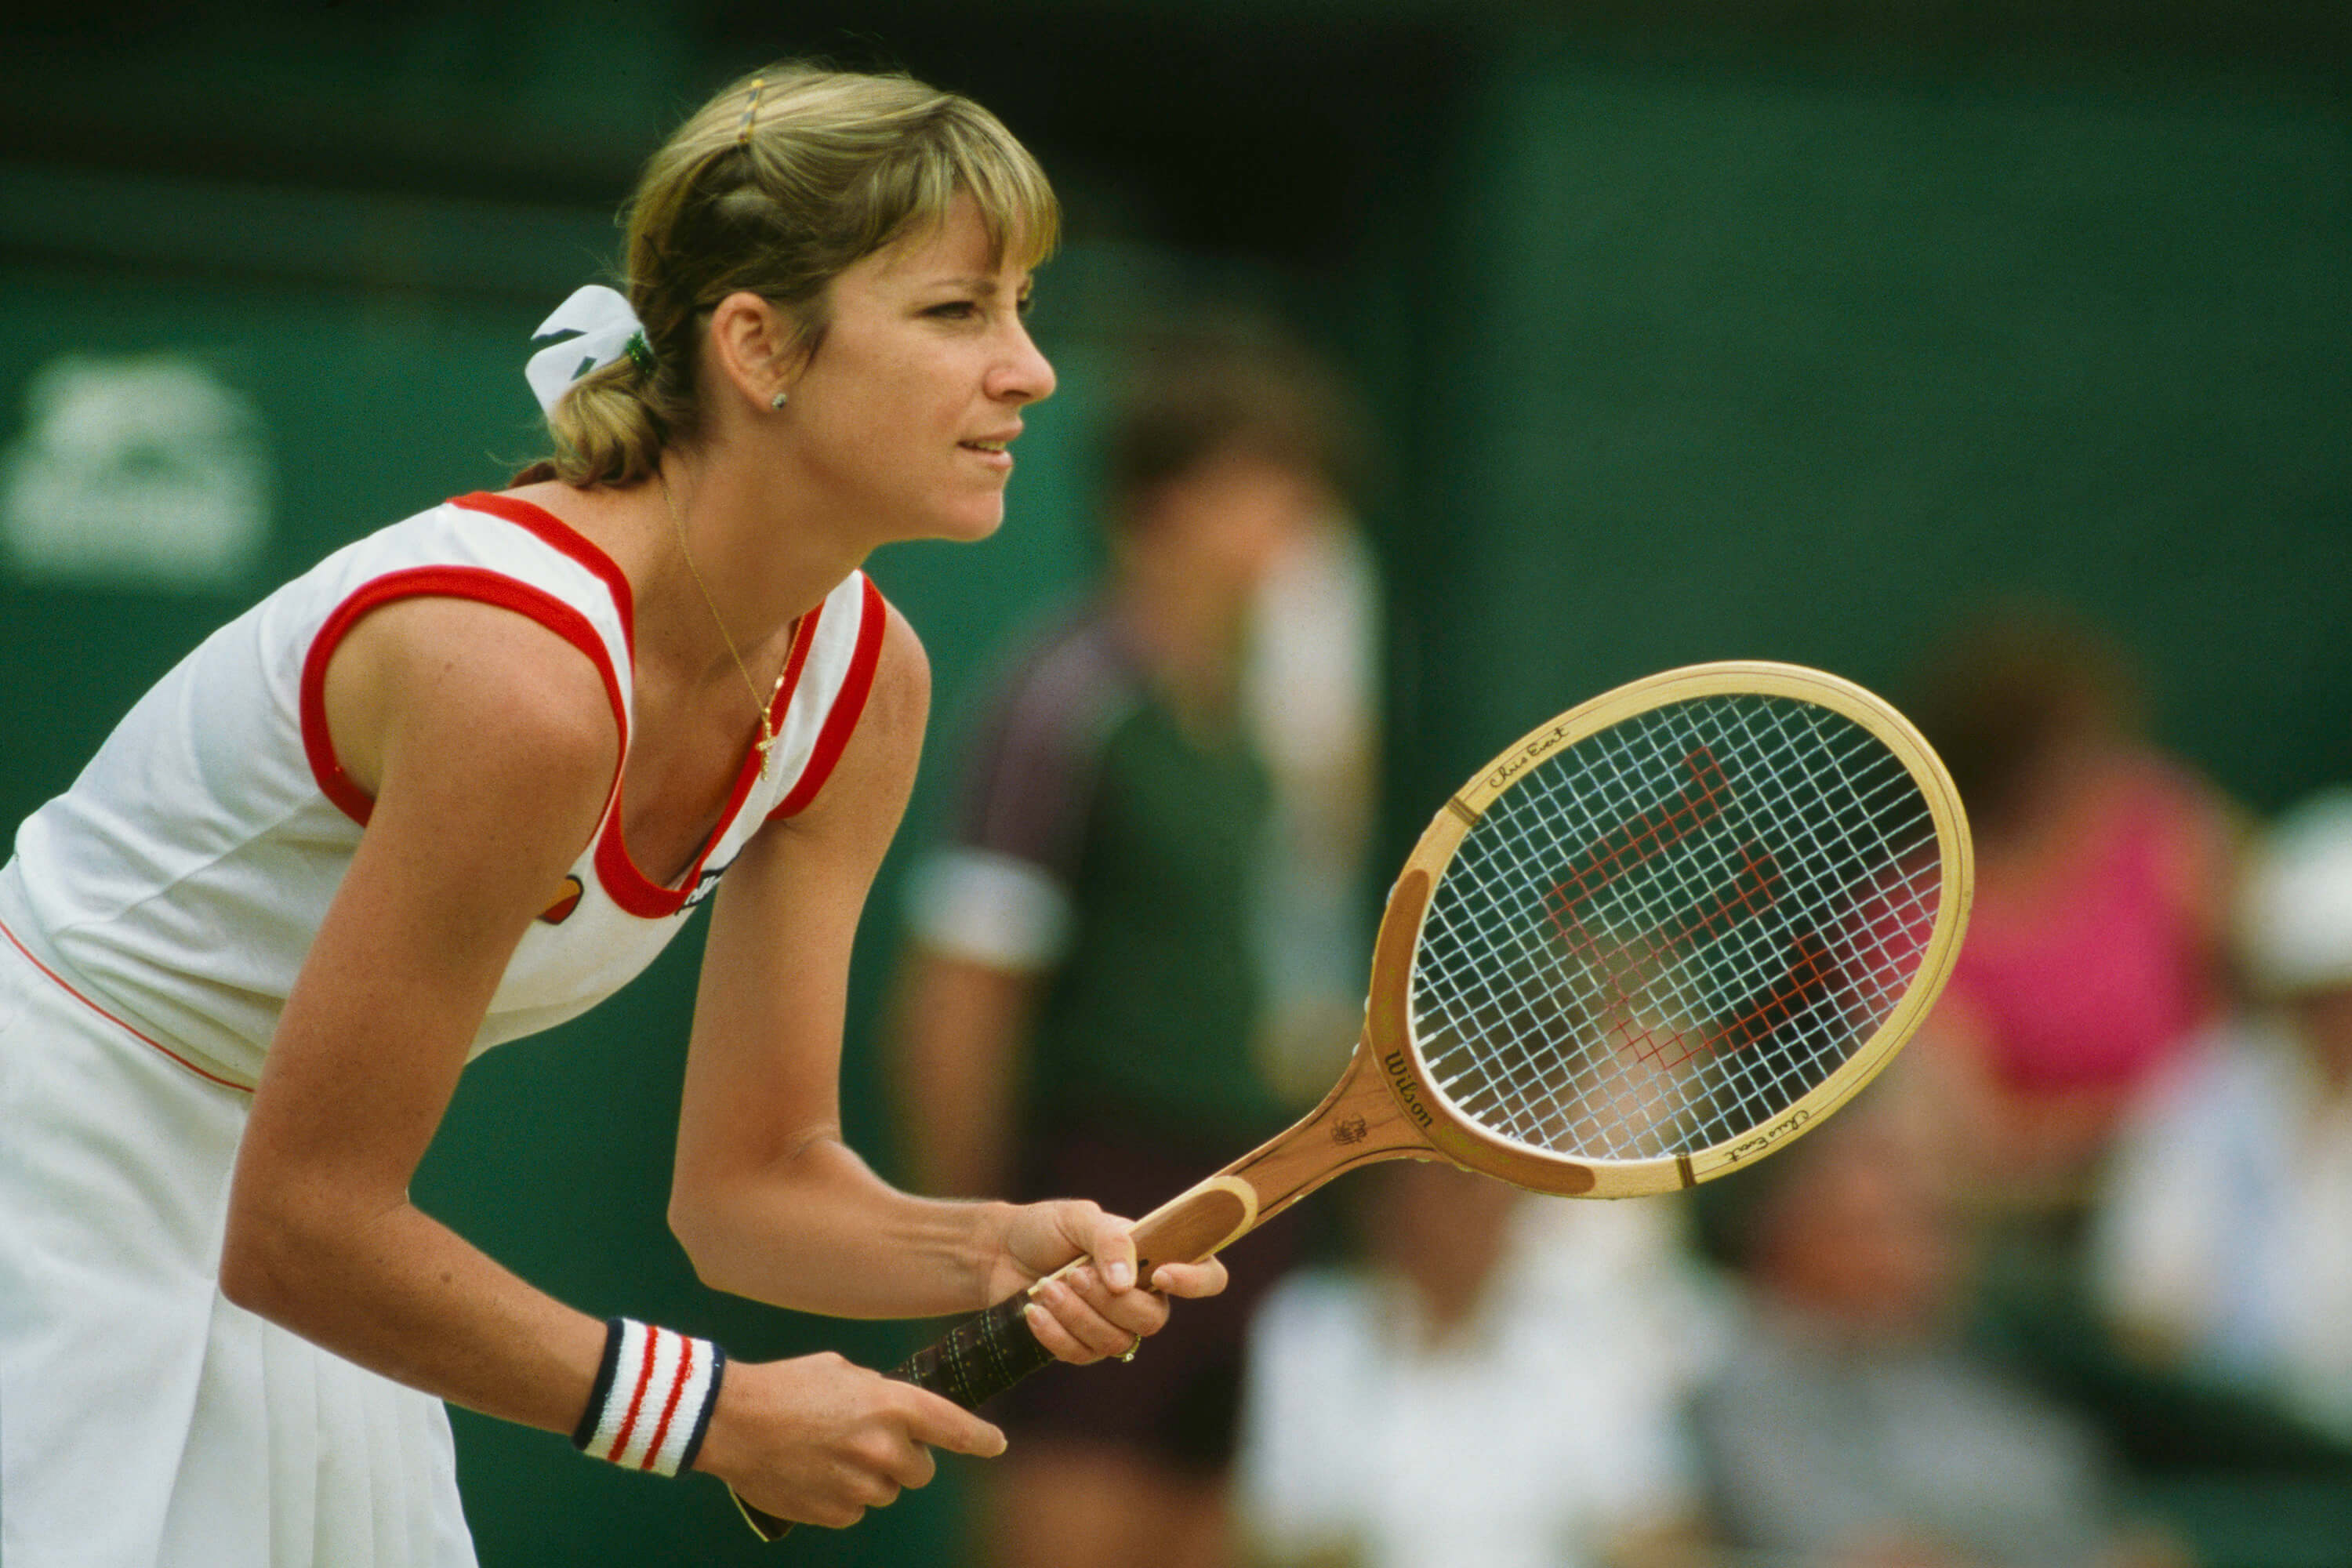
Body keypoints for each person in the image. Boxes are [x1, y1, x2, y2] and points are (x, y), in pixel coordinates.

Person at [0, 63, 1227, 1568]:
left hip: (283, 1235)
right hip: (55, 1181)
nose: (1029, 368)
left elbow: (751, 1189)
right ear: (760, 346)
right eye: (959, 311)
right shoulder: (519, 683)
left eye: (1025, 307)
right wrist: (711, 1414)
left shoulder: (864, 685)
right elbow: (305, 1227)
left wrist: (997, 1246)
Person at [887, 328, 1373, 1568]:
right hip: (1096, 1190)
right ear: (1166, 504)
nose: (1299, 525)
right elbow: (957, 1002)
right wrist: (984, 1252)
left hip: (1242, 1197)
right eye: (1269, 487)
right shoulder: (1065, 696)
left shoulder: (1254, 728)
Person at [1689, 1081, 2187, 1568]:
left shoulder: (1962, 1357)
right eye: (1875, 1230)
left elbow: (2096, 1515)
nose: (1918, 1257)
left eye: (1926, 1225)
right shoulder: (1756, 1392)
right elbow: (1866, 1555)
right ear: (1786, 1240)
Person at [1903, 601, 2238, 1218]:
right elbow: (1978, 1150)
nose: (2081, 770)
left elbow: (2261, 1010)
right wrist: (2179, 1119)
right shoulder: (1905, 919)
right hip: (2041, 1231)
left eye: (2088, 742)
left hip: (2225, 1190)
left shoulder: (2165, 823)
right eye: (2047, 749)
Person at [1236, 1160, 1722, 1568]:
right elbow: (1286, 1538)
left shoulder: (1585, 1329)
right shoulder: (1308, 1326)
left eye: (1506, 1187)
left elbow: (1657, 1527)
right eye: (1462, 1183)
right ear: (1385, 1201)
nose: (1492, 1205)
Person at [2089, 786, 2352, 1444]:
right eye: (2324, 994)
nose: (2340, 1019)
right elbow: (2144, 1312)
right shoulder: (2199, 1100)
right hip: (2246, 1447)